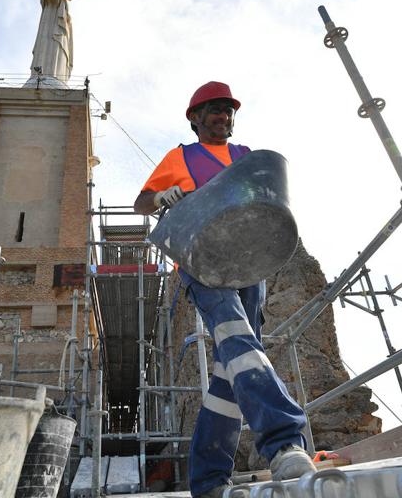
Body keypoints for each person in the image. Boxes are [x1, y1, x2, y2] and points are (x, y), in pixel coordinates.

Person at [134, 81, 316, 498]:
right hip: (200, 258)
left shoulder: (244, 157)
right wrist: (162, 196)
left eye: (228, 111)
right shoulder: (181, 156)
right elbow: (142, 202)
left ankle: (208, 476)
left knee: (232, 363)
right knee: (237, 338)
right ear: (196, 118)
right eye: (215, 109)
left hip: (249, 260)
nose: (224, 116)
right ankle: (284, 442)